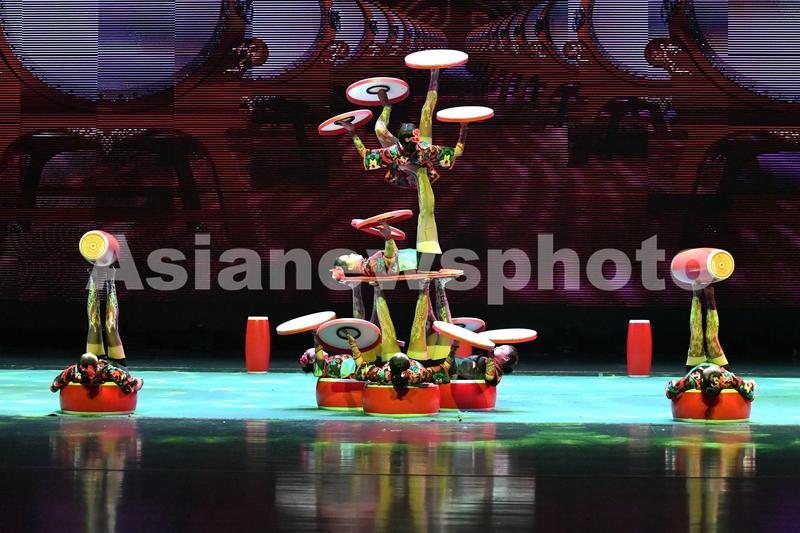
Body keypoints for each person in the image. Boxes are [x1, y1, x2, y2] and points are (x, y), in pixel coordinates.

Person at [337, 77, 468, 255]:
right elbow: (365, 153)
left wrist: (464, 128)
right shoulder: (394, 151)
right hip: (404, 169)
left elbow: (458, 152)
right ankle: (387, 106)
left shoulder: (425, 149)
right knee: (379, 129)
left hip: (420, 170)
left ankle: (434, 73)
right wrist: (352, 132)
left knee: (426, 112)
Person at [86, 267, 128, 367]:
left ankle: (94, 280)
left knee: (94, 325)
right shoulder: (119, 373)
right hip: (117, 366)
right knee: (111, 327)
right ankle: (110, 282)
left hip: (94, 366)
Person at [50, 353, 143, 395]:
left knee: (136, 382)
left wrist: (136, 383)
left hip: (116, 364)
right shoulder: (72, 371)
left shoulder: (111, 372)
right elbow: (54, 386)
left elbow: (54, 387)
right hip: (106, 367)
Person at [685, 285, 727, 371]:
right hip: (719, 370)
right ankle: (711, 300)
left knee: (696, 336)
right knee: (711, 337)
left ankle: (696, 297)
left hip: (695, 368)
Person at [665, 363, 755, 401]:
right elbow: (670, 391)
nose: (711, 396)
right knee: (697, 337)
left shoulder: (727, 380)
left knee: (711, 336)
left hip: (718, 364)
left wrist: (749, 387)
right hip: (696, 364)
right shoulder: (693, 380)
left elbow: (750, 394)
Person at [447, 344, 519, 386]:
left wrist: (490, 358)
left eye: (502, 349)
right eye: (499, 346)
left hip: (467, 378)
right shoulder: (485, 358)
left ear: (506, 358)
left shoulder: (498, 371)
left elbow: (489, 377)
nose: (497, 347)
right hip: (457, 373)